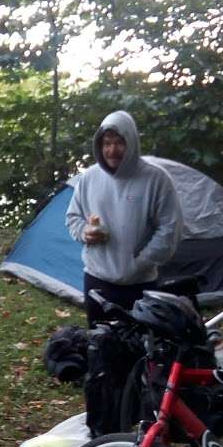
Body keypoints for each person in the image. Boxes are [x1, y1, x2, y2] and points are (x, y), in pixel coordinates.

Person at [66, 110, 182, 327]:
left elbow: (169, 230)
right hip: (96, 281)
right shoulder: (89, 178)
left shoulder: (156, 179)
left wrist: (139, 264)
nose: (112, 150)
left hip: (140, 284)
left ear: (132, 142)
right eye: (106, 143)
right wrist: (85, 232)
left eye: (119, 142)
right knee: (100, 347)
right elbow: (73, 217)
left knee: (140, 351)